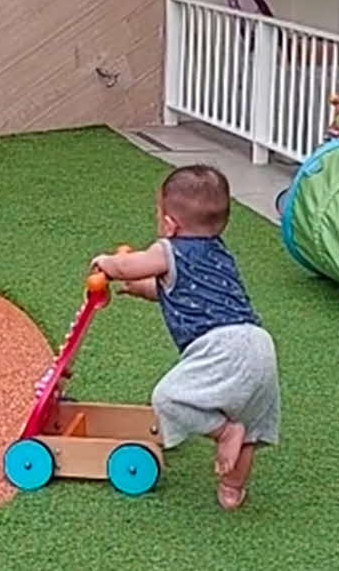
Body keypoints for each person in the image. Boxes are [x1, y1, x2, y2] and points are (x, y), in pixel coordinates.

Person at [90, 165, 280, 510]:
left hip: (221, 345)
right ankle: (232, 487)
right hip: (258, 343)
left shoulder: (168, 250)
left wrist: (108, 264)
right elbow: (176, 290)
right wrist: (140, 289)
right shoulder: (217, 251)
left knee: (168, 399)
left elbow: (128, 266)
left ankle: (223, 432)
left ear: (169, 224)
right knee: (250, 425)